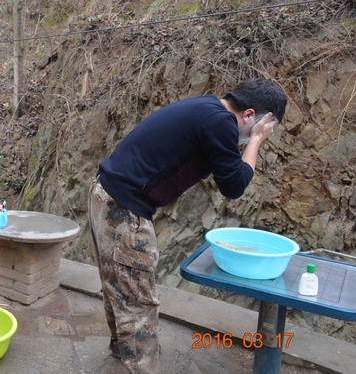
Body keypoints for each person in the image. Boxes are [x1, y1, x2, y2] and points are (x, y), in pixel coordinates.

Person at [88, 78, 287, 373]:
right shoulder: (221, 122)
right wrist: (255, 140)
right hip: (123, 210)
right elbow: (235, 185)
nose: (250, 137)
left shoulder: (207, 107)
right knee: (138, 303)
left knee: (120, 288)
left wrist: (252, 135)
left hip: (106, 196)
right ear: (249, 115)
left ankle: (122, 355)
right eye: (261, 127)